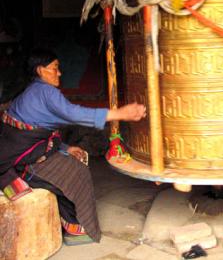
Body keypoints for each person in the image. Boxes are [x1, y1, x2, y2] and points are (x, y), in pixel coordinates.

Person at [0, 47, 146, 244]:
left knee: (71, 162)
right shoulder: (45, 91)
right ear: (41, 70)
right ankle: (77, 228)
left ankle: (69, 222)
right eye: (55, 68)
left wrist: (65, 148)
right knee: (77, 172)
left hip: (18, 154)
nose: (59, 73)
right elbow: (74, 114)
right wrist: (120, 114)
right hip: (22, 163)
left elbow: (41, 130)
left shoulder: (33, 90)